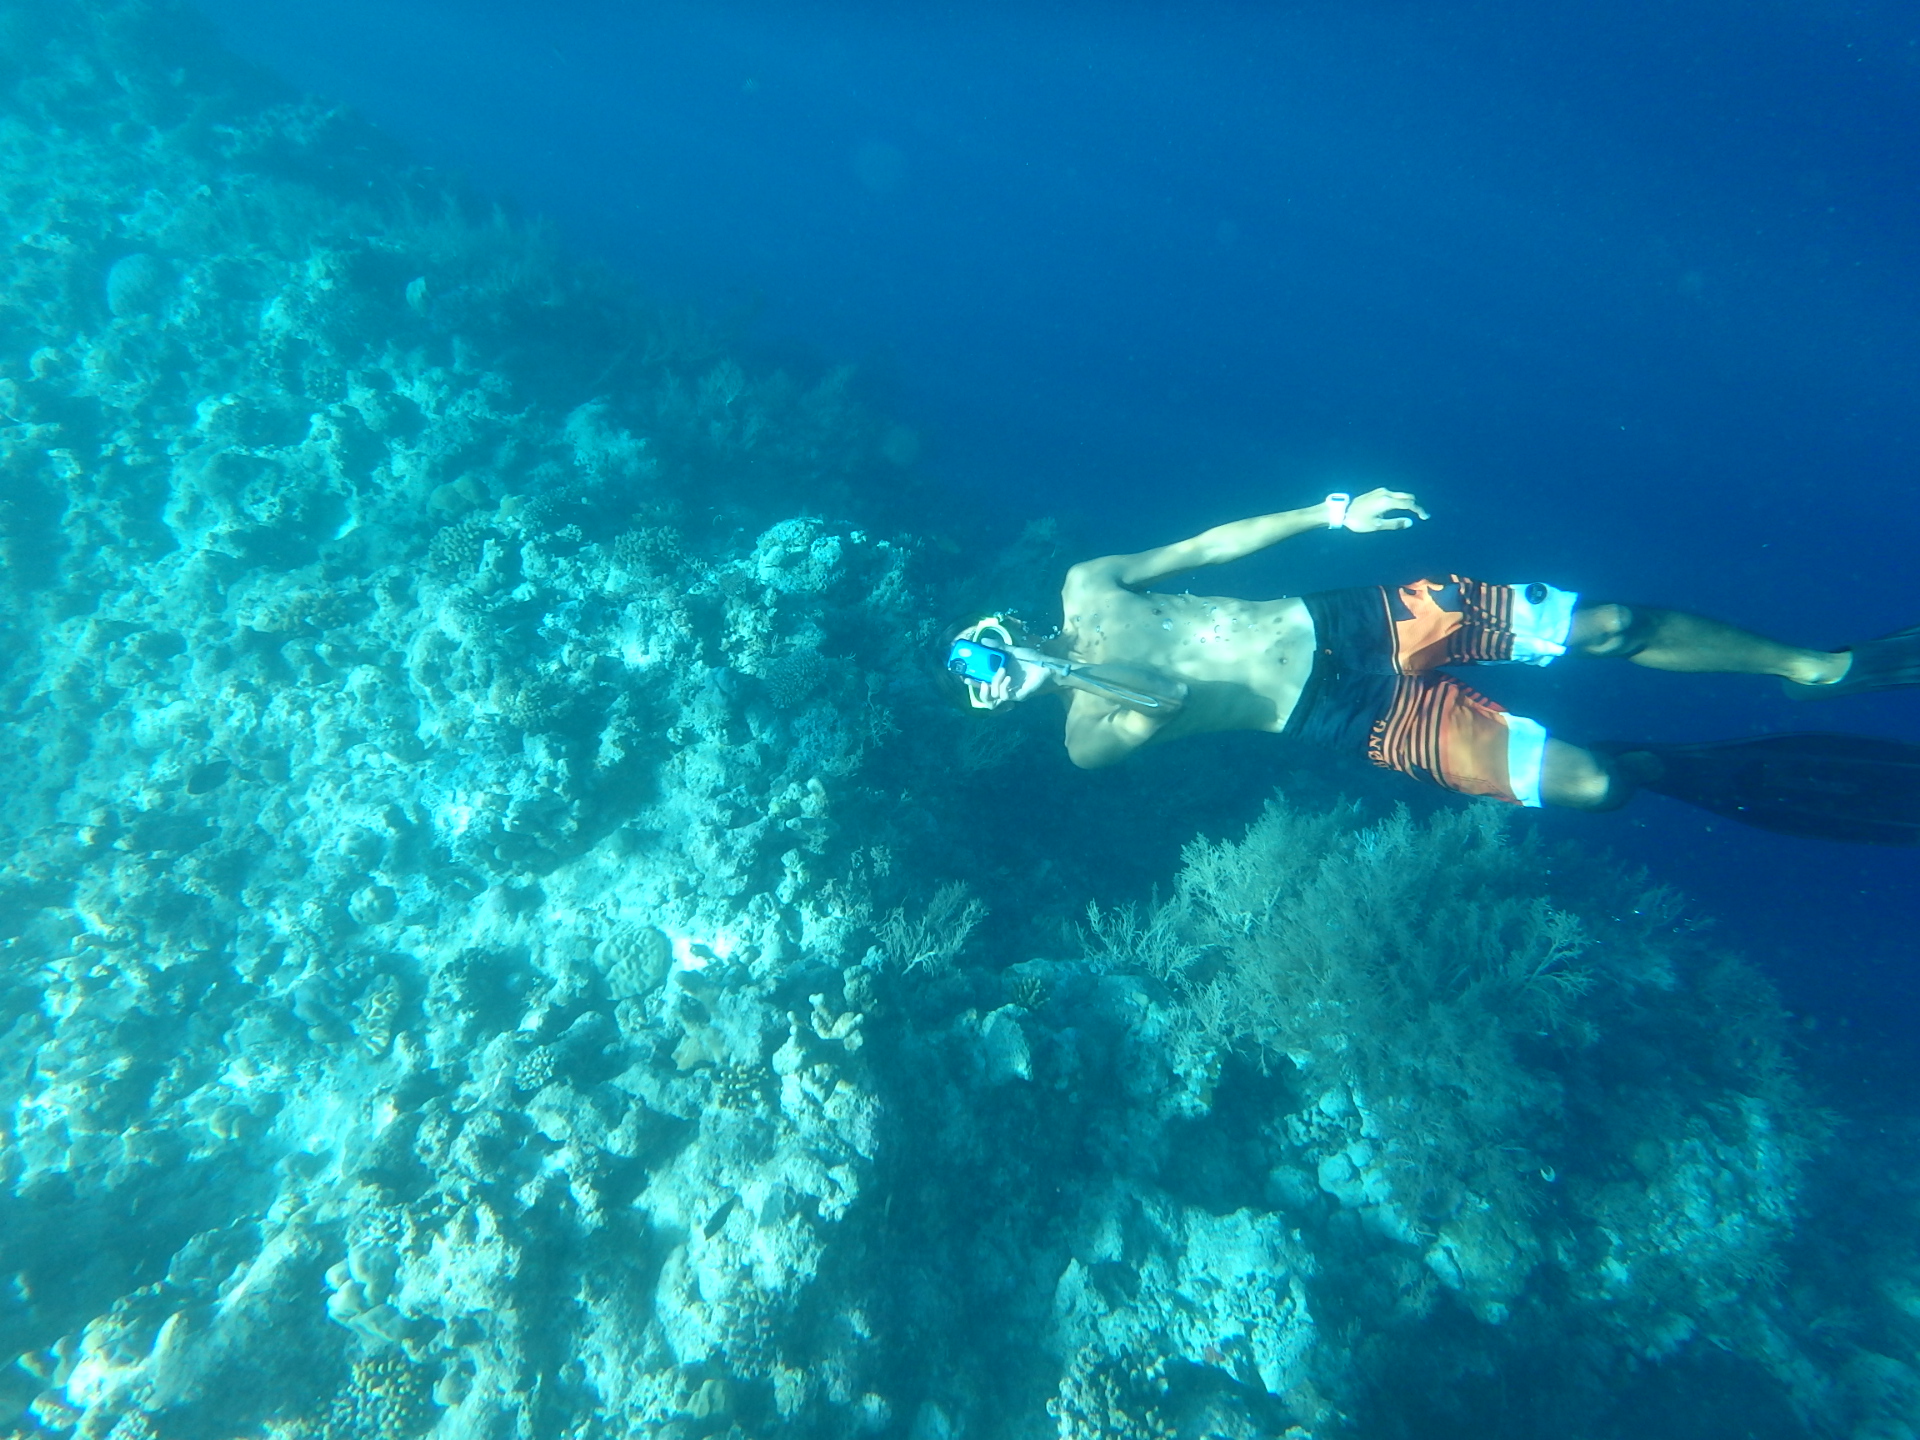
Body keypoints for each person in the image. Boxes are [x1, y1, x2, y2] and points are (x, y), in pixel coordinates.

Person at [942, 488, 1920, 845]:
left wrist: (1332, 513)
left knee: (1608, 624)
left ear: (1002, 617)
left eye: (987, 643)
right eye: (986, 675)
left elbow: (1207, 547)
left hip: (1366, 617)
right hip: (1348, 717)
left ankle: (1816, 668)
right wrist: (1065, 676)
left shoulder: (1089, 581)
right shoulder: (1082, 737)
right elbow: (1164, 699)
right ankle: (1659, 764)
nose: (1000, 661)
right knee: (1597, 785)